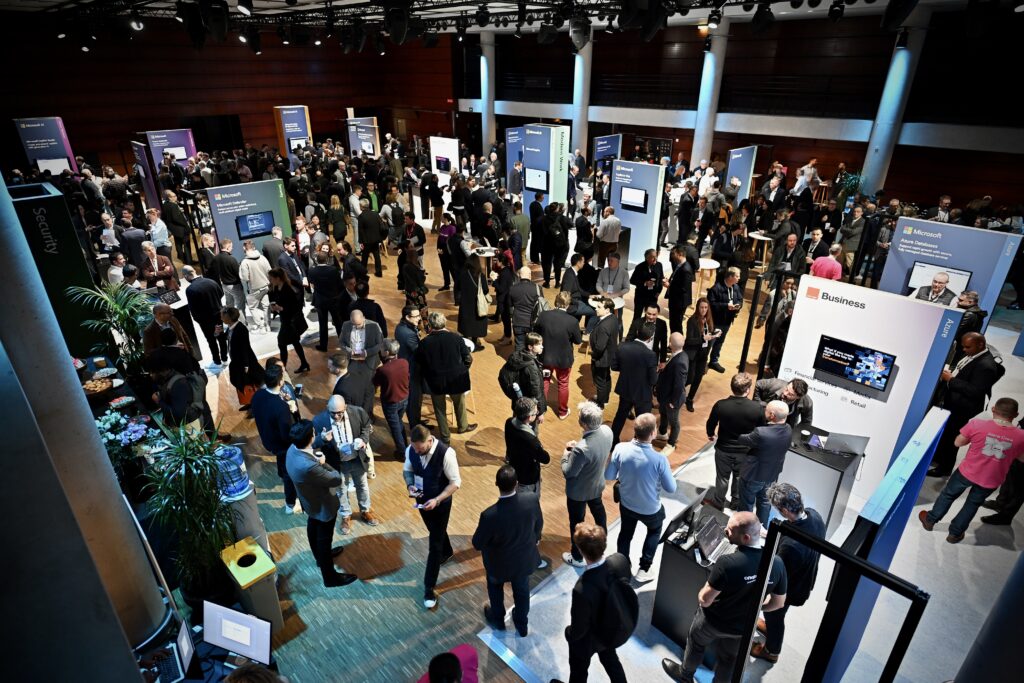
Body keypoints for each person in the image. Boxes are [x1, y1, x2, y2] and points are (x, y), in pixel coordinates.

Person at [661, 511, 788, 683]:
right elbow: (778, 603)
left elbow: (705, 600)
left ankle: (685, 676)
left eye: (730, 530)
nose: (725, 532)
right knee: (729, 659)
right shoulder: (778, 563)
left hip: (713, 621)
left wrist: (701, 594)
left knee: (696, 642)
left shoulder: (727, 563)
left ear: (745, 538)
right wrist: (756, 608)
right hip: (744, 627)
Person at [919, 398, 1024, 543]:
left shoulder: (977, 424)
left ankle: (930, 520)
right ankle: (955, 534)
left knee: (948, 495)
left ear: (993, 409)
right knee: (972, 504)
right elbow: (1022, 458)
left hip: (967, 472)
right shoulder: (1021, 436)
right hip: (992, 479)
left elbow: (958, 442)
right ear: (1016, 414)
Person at [751, 483, 826, 663]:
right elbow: (789, 534)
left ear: (784, 510)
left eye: (778, 509)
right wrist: (766, 534)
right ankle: (770, 627)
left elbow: (778, 576)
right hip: (804, 578)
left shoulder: (791, 548)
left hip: (791, 587)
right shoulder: (813, 515)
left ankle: (771, 651)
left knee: (774, 613)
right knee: (777, 614)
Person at [550, 524, 632, 683]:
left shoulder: (582, 589)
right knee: (611, 661)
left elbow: (579, 629)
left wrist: (569, 634)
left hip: (589, 639)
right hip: (610, 628)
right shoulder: (620, 560)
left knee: (579, 669)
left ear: (581, 551)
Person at [284, 420, 358, 587]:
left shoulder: (292, 449)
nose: (315, 434)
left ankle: (319, 557)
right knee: (325, 539)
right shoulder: (309, 466)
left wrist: (321, 440)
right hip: (322, 504)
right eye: (314, 433)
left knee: (313, 526)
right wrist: (324, 464)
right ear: (310, 437)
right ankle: (330, 577)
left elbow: (308, 447)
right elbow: (336, 479)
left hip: (309, 501)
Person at [604, 413, 677, 582]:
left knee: (625, 534)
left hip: (627, 504)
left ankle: (622, 567)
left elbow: (609, 475)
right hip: (650, 509)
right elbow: (671, 488)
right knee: (654, 531)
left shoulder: (620, 448)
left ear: (635, 430)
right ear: (653, 433)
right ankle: (644, 569)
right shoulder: (659, 459)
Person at [472, 464, 543, 637]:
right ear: (517, 483)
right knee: (522, 592)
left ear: (496, 484)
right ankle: (521, 624)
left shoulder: (489, 515)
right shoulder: (531, 500)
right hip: (523, 561)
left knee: (495, 591)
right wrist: (534, 539)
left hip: (498, 565)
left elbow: (477, 543)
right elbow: (538, 524)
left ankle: (498, 620)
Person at [929, 332, 1005, 477]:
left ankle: (944, 468)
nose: (964, 350)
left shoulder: (986, 366)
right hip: (954, 403)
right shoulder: (974, 355)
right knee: (945, 435)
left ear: (980, 345)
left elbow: (975, 391)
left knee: (952, 437)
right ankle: (938, 458)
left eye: (967, 347)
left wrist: (950, 379)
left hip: (962, 409)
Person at [404, 424, 462, 610]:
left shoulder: (447, 454)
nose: (416, 452)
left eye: (419, 449)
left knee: (434, 544)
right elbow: (408, 470)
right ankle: (447, 551)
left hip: (440, 504)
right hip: (422, 502)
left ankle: (429, 588)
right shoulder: (411, 449)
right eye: (414, 448)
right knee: (435, 531)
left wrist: (437, 500)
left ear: (429, 441)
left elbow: (455, 483)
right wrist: (410, 485)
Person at [312, 394, 378, 535]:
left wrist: (363, 440)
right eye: (333, 413)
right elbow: (313, 443)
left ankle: (365, 511)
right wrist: (322, 438)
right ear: (327, 408)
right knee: (341, 490)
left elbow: (366, 426)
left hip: (356, 459)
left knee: (362, 486)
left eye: (340, 413)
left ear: (346, 408)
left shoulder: (358, 412)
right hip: (337, 463)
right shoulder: (319, 420)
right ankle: (346, 515)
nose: (336, 416)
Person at [561, 402, 612, 567]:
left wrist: (565, 454)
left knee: (576, 521)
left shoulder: (581, 449)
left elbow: (568, 472)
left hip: (578, 492)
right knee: (599, 513)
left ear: (583, 423)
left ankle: (576, 556)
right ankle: (602, 542)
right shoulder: (607, 431)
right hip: (596, 485)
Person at [706, 373, 765, 510]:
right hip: (745, 451)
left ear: (732, 387)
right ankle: (735, 503)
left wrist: (710, 434)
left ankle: (718, 503)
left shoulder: (720, 405)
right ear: (748, 389)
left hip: (723, 449)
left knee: (722, 478)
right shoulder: (757, 409)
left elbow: (711, 423)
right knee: (739, 477)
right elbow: (761, 430)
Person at [417, 312, 476, 441]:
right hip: (456, 378)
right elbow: (468, 358)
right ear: (444, 322)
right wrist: (463, 370)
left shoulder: (424, 343)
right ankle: (462, 426)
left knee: (439, 409)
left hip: (435, 381)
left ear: (430, 325)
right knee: (459, 403)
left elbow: (420, 363)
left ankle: (445, 435)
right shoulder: (456, 338)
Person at [251, 364, 299, 514]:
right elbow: (287, 435)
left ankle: (280, 473)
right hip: (283, 445)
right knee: (289, 474)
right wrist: (292, 411)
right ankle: (290, 504)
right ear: (281, 382)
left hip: (267, 439)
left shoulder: (257, 395)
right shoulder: (281, 407)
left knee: (282, 462)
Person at [736, 400, 793, 526]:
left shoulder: (761, 432)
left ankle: (746, 529)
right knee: (765, 502)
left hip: (753, 476)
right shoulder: (788, 429)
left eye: (766, 409)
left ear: (772, 415)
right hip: (772, 475)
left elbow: (742, 439)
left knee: (746, 504)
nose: (764, 411)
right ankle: (762, 529)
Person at [535, 291, 583, 420]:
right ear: (568, 305)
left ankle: (541, 410)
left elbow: (536, 333)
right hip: (564, 359)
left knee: (544, 382)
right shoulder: (572, 321)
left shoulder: (544, 315)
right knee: (563, 384)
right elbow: (578, 341)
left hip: (545, 357)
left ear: (556, 302)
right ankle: (562, 412)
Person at [610, 322, 659, 444]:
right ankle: (639, 444)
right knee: (643, 423)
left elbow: (614, 366)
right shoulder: (651, 355)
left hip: (626, 389)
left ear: (637, 332)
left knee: (620, 416)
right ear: (650, 338)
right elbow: (653, 380)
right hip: (642, 394)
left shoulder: (622, 346)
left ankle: (613, 441)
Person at [180, 266, 226, 368]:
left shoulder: (190, 289)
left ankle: (217, 361)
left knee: (211, 340)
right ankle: (225, 358)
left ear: (186, 276)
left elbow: (193, 308)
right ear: (195, 271)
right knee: (221, 337)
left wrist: (198, 319)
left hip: (205, 321)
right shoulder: (211, 281)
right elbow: (221, 294)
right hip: (218, 316)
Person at [504, 396, 551, 495]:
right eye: (535, 413)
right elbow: (546, 459)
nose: (537, 414)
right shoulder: (530, 440)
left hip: (515, 469)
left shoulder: (509, 422)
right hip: (528, 479)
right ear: (529, 417)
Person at [267, 267, 310, 374]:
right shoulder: (276, 287)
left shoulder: (289, 288)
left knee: (281, 343)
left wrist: (281, 308)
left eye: (271, 278)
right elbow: (275, 300)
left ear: (278, 278)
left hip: (290, 320)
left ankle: (283, 369)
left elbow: (294, 306)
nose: (270, 280)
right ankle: (304, 363)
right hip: (285, 319)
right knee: (295, 342)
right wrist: (274, 307)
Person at [656, 332, 689, 451]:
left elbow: (679, 385)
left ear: (670, 344)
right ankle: (662, 432)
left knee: (674, 422)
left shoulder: (680, 361)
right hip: (666, 396)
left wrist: (673, 402)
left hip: (672, 399)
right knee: (663, 414)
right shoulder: (679, 355)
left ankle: (671, 444)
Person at [707, 267, 743, 373]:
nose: (739, 278)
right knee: (711, 342)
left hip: (727, 321)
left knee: (720, 342)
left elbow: (740, 299)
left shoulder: (735, 287)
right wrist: (726, 306)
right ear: (730, 276)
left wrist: (738, 306)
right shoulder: (716, 288)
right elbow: (711, 305)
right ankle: (702, 361)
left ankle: (713, 361)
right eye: (737, 276)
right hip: (716, 321)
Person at [683, 297, 716, 412]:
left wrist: (715, 334)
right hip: (693, 354)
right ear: (697, 308)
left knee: (698, 378)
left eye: (706, 307)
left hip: (703, 354)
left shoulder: (709, 320)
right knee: (690, 378)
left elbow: (710, 334)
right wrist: (702, 339)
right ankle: (676, 391)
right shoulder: (692, 321)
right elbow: (689, 341)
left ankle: (690, 399)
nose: (703, 310)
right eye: (701, 307)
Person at [307, 251, 345, 352]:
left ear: (316, 260)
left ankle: (323, 346)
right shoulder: (333, 270)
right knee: (338, 323)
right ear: (327, 259)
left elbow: (310, 282)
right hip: (333, 299)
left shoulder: (312, 271)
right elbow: (339, 284)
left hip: (320, 301)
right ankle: (343, 343)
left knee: (322, 324)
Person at [502, 332, 548, 415]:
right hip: (529, 409)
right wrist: (540, 412)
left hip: (518, 402)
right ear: (530, 347)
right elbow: (536, 391)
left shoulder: (519, 356)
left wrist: (539, 372)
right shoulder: (531, 367)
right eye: (539, 344)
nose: (542, 346)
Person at [589, 297, 620, 408]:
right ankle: (605, 399)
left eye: (599, 307)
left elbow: (600, 347)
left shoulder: (603, 326)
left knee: (600, 381)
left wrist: (593, 356)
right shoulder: (613, 318)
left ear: (607, 310)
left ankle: (600, 404)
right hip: (609, 356)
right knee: (606, 378)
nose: (596, 309)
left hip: (601, 358)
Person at [239, 240, 272, 334]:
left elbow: (244, 278)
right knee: (266, 306)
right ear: (254, 247)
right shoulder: (262, 258)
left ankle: (261, 327)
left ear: (244, 248)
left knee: (252, 307)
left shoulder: (245, 262)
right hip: (265, 286)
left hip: (254, 289)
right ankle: (268, 325)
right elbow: (269, 271)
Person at [457, 256, 489, 351]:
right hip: (476, 303)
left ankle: (466, 344)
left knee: (466, 323)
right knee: (476, 323)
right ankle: (474, 344)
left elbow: (457, 287)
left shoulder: (462, 273)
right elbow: (485, 290)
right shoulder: (480, 275)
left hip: (465, 302)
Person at [664, 246, 694, 335]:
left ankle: (678, 343)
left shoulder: (686, 269)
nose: (673, 256)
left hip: (679, 302)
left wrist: (669, 286)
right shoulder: (680, 265)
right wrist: (669, 281)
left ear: (680, 254)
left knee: (676, 325)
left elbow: (684, 288)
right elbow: (677, 280)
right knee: (674, 324)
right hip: (676, 300)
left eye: (674, 254)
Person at [509, 265, 540, 350]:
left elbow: (510, 305)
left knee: (519, 344)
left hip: (518, 321)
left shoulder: (512, 288)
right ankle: (530, 362)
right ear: (530, 275)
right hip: (532, 321)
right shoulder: (537, 288)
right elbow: (541, 305)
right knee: (533, 345)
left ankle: (519, 362)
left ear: (519, 275)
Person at [357, 198, 385, 277]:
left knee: (364, 257)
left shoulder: (361, 216)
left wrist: (360, 242)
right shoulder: (375, 214)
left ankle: (363, 273)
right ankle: (379, 272)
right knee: (377, 256)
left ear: (362, 206)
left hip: (366, 240)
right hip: (376, 239)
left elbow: (361, 231)